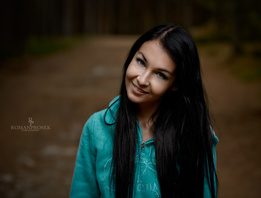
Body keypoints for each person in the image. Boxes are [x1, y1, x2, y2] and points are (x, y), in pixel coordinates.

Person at [70, 24, 218, 198]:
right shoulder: (97, 127)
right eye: (141, 62)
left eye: (160, 74)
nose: (142, 79)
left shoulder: (194, 134)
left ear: (176, 84)